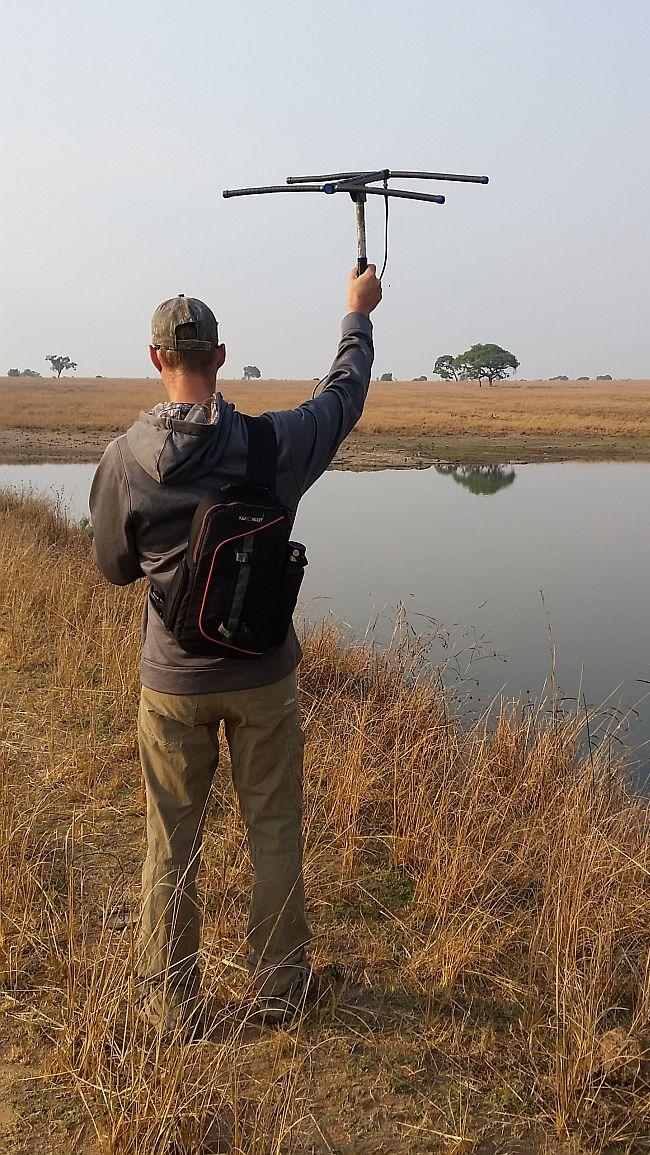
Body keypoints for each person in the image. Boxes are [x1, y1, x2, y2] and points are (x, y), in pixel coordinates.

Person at [89, 266, 382, 1035]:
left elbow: (114, 569)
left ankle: (170, 1005)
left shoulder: (124, 458)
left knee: (170, 840)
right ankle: (283, 990)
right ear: (220, 356)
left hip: (173, 680)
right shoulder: (270, 444)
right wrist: (357, 315)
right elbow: (341, 400)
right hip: (263, 675)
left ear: (155, 359)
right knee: (275, 828)